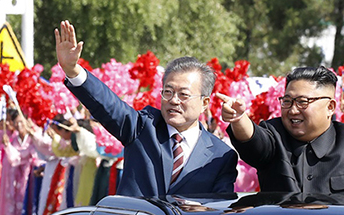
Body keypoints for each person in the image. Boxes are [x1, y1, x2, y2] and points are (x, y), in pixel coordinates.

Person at [55, 20, 238, 197]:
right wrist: (72, 70)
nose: (174, 100)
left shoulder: (221, 156)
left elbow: (218, 212)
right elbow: (108, 104)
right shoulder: (142, 127)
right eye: (168, 92)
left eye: (183, 94)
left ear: (204, 103)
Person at [219, 66, 344, 199]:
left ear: (330, 107)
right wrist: (238, 118)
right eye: (287, 101)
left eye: (302, 102)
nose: (293, 110)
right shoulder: (273, 133)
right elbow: (254, 141)